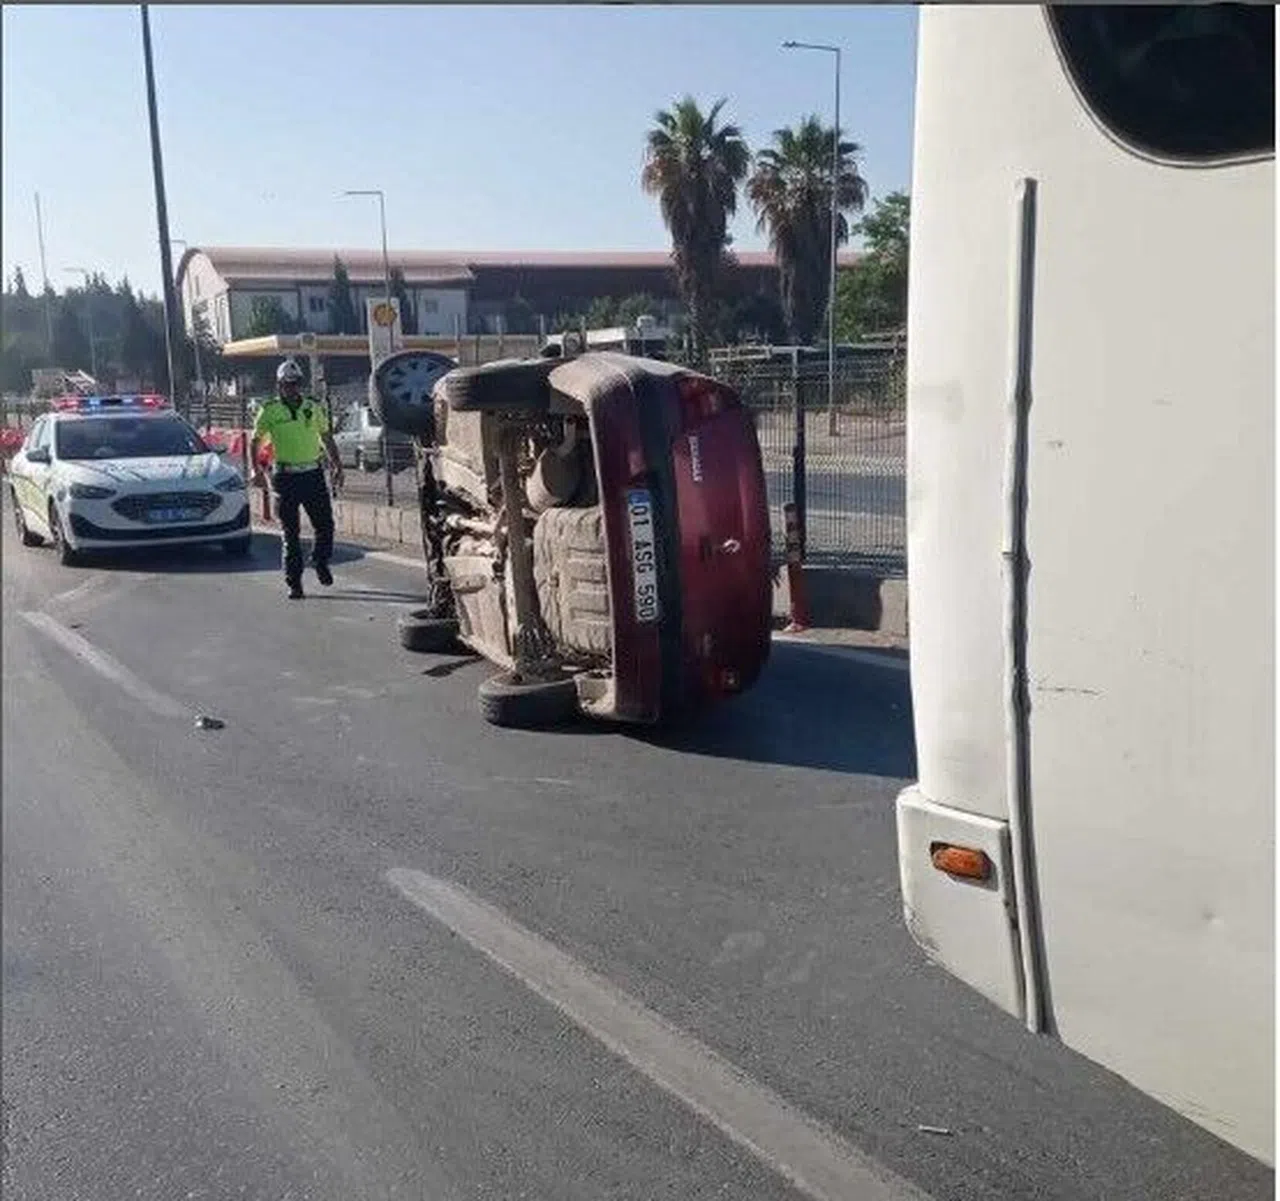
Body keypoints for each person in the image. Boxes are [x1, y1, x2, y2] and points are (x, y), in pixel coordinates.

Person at [249, 359, 344, 599]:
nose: (292, 389)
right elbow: (255, 441)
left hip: (312, 474)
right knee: (290, 533)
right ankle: (294, 583)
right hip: (285, 476)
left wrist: (337, 465)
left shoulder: (312, 407)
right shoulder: (269, 410)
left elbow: (325, 435)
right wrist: (256, 471)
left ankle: (320, 561)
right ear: (279, 385)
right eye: (287, 384)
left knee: (325, 525)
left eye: (296, 384)